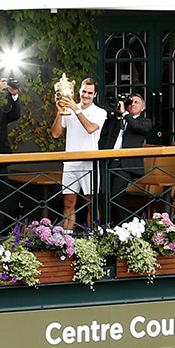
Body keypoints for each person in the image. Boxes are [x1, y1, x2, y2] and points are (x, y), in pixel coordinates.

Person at [50, 77, 107, 232]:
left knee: (92, 203)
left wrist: (76, 109)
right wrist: (60, 111)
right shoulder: (70, 109)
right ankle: (66, 238)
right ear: (79, 92)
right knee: (68, 203)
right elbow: (55, 134)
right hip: (70, 162)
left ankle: (94, 238)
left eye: (90, 93)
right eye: (84, 92)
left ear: (95, 95)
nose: (86, 95)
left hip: (90, 163)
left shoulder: (100, 112)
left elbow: (90, 128)